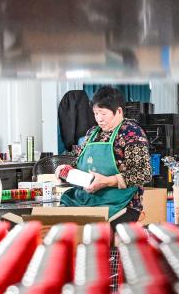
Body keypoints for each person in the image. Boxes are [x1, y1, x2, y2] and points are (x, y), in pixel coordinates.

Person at [58, 86, 151, 223]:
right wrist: (67, 171)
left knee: (97, 230)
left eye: (103, 113)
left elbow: (144, 173)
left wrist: (107, 181)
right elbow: (80, 163)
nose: (99, 119)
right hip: (86, 200)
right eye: (96, 113)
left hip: (120, 204)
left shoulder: (131, 132)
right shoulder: (92, 133)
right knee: (60, 223)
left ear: (119, 111)